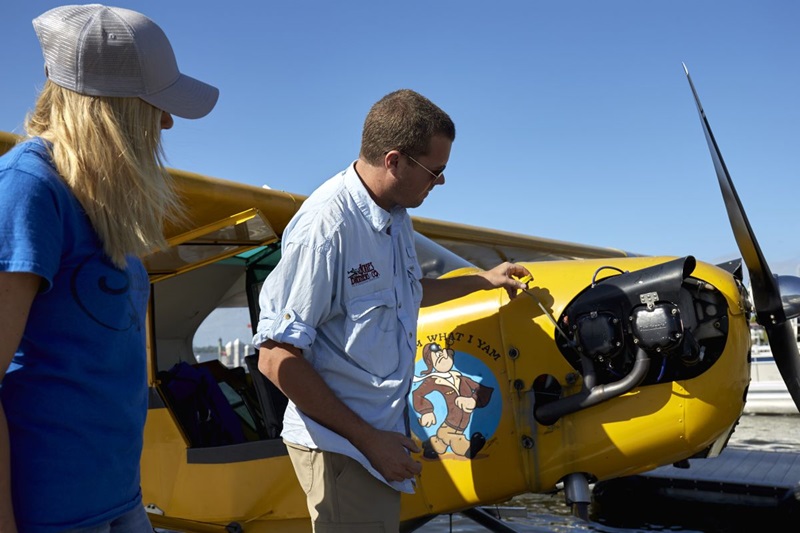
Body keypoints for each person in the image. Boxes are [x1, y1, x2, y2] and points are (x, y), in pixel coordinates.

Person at [253, 89, 531, 531]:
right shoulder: (326, 227)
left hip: (376, 440)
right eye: (435, 171)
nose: (439, 182)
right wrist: (370, 443)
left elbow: (406, 293)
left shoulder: (396, 214)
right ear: (394, 160)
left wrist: (483, 280)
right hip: (343, 449)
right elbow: (275, 357)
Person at [0, 5, 218, 531]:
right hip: (49, 511)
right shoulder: (28, 188)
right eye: (157, 104)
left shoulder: (99, 199)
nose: (167, 121)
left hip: (119, 497)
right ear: (112, 108)